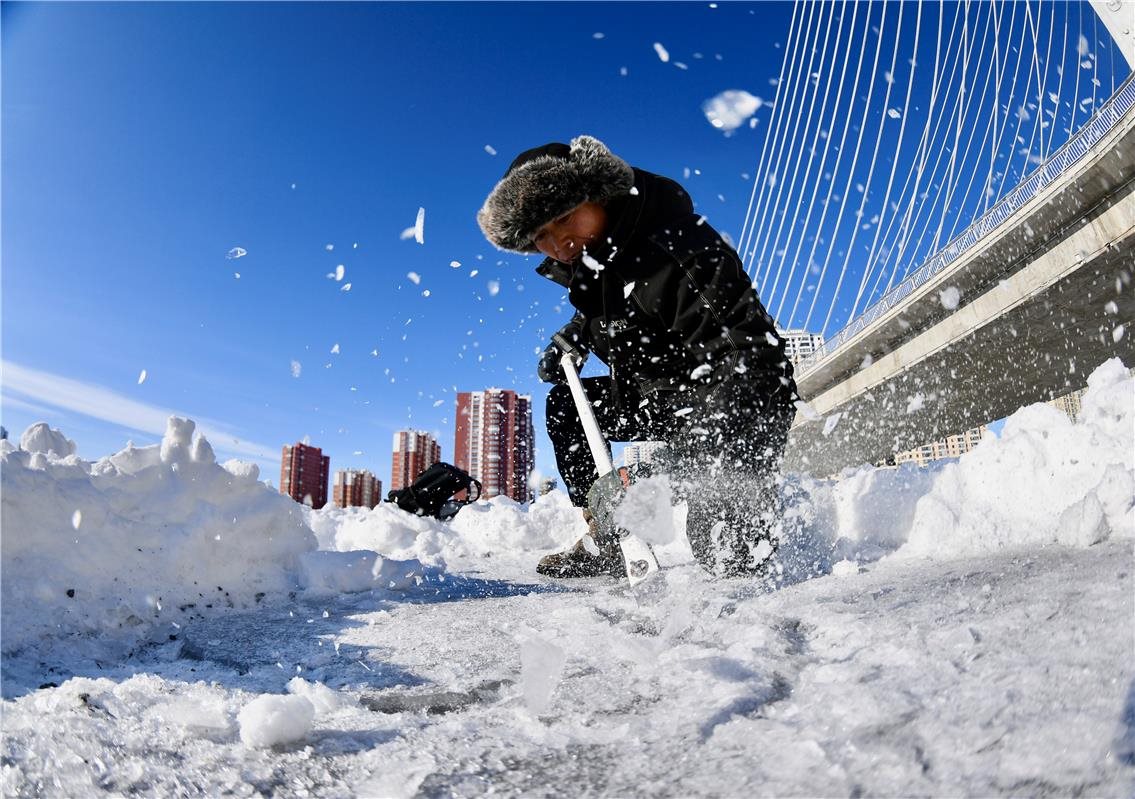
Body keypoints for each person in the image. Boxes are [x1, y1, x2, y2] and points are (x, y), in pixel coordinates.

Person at [477, 135, 797, 579]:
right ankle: (609, 532)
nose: (559, 243)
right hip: (662, 399)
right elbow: (616, 312)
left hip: (739, 404)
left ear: (599, 196)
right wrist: (574, 335)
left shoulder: (679, 248)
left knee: (730, 552)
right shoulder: (598, 267)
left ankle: (746, 518)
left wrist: (661, 474)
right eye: (541, 236)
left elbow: (751, 360)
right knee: (568, 406)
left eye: (564, 218)